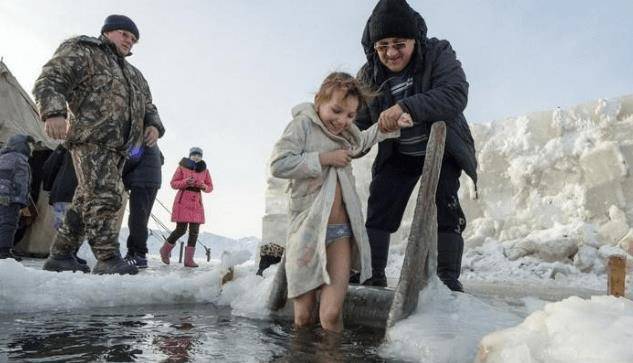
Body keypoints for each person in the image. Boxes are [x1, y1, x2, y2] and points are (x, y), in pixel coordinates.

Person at [269, 72, 411, 332]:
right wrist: (324, 158)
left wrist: (388, 125)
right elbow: (279, 164)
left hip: (340, 234)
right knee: (303, 316)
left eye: (350, 115)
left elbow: (362, 142)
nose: (342, 121)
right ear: (318, 101)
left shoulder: (347, 133)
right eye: (336, 111)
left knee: (332, 314)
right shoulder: (302, 126)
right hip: (307, 234)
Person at [355, 0, 478, 291]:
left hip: (442, 146)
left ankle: (446, 280)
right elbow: (358, 121)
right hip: (398, 152)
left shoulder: (438, 53)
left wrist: (405, 107)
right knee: (380, 204)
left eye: (400, 43)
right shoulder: (369, 75)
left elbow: (455, 94)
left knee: (445, 204)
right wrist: (342, 141)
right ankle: (373, 275)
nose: (391, 53)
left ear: (414, 39)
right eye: (383, 45)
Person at [34, 14, 165, 275]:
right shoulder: (85, 51)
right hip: (91, 138)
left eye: (134, 39)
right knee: (107, 195)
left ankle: (61, 255)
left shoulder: (134, 74)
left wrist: (153, 124)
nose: (130, 41)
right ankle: (108, 258)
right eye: (125, 34)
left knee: (85, 201)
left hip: (120, 148)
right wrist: (54, 112)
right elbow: (52, 78)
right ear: (107, 32)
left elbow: (148, 105)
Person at [159, 147, 213, 267]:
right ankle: (165, 251)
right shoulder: (181, 167)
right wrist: (185, 182)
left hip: (196, 204)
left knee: (194, 232)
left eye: (199, 155)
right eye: (194, 155)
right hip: (183, 202)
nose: (196, 157)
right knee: (181, 230)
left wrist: (203, 186)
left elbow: (210, 187)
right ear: (190, 155)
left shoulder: (205, 171)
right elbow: (173, 183)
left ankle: (189, 260)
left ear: (201, 157)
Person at [40, 144, 86, 265]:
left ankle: (68, 254)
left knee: (64, 225)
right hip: (78, 191)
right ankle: (63, 256)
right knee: (77, 225)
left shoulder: (65, 146)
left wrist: (50, 187)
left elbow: (48, 166)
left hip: (61, 192)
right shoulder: (95, 144)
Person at [122, 145, 163, 268]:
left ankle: (140, 255)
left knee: (137, 220)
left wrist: (122, 175)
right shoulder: (153, 142)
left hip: (141, 182)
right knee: (140, 218)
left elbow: (132, 158)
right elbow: (162, 159)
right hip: (153, 182)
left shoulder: (139, 140)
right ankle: (132, 252)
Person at [0, 134, 34, 261]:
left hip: (9, 197)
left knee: (5, 223)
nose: (32, 148)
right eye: (29, 145)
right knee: (8, 223)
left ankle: (4, 249)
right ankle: (4, 252)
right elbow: (6, 178)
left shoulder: (8, 157)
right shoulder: (16, 159)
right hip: (9, 198)